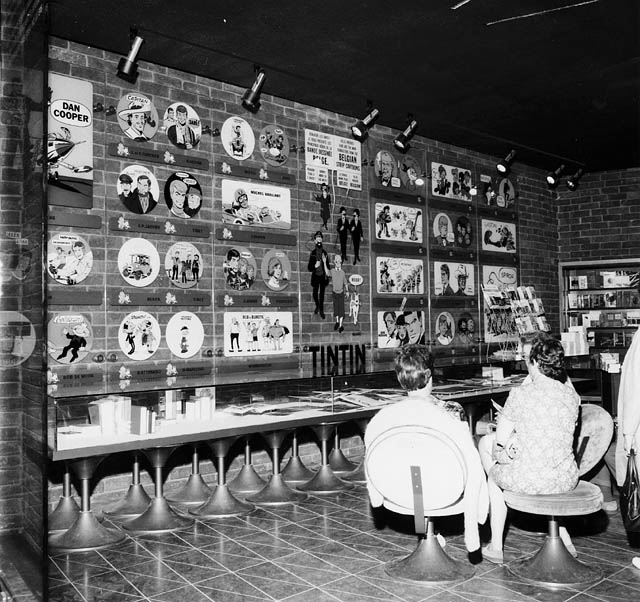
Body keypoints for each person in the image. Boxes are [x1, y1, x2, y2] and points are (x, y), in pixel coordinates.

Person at [364, 345, 487, 553]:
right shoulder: (452, 412)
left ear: (400, 379)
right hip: (444, 489)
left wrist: (376, 497)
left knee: (415, 469)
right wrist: (478, 512)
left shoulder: (384, 417)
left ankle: (426, 533)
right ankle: (431, 532)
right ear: (430, 376)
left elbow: (370, 457)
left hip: (396, 489)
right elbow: (472, 465)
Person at [478, 334, 580, 563]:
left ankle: (496, 546)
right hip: (566, 478)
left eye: (526, 359)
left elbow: (501, 442)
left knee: (494, 475)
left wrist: (505, 452)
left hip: (530, 478)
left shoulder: (521, 393)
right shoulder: (572, 396)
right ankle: (562, 535)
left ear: (534, 362)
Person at [307, 231, 329, 319]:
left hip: (323, 276)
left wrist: (325, 266)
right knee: (315, 293)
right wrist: (314, 266)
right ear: (315, 241)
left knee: (322, 294)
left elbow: (327, 265)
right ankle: (317, 305)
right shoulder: (312, 253)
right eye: (317, 238)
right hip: (316, 276)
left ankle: (321, 310)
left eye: (320, 238)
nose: (319, 239)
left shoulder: (325, 253)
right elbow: (309, 268)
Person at [330, 254, 347, 333]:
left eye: (339, 262)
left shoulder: (342, 272)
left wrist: (347, 291)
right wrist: (323, 262)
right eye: (336, 262)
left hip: (341, 293)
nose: (338, 264)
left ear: (341, 263)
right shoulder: (332, 271)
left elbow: (345, 283)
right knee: (336, 308)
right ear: (334, 262)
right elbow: (327, 274)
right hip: (334, 292)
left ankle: (340, 325)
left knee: (341, 309)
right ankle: (337, 322)